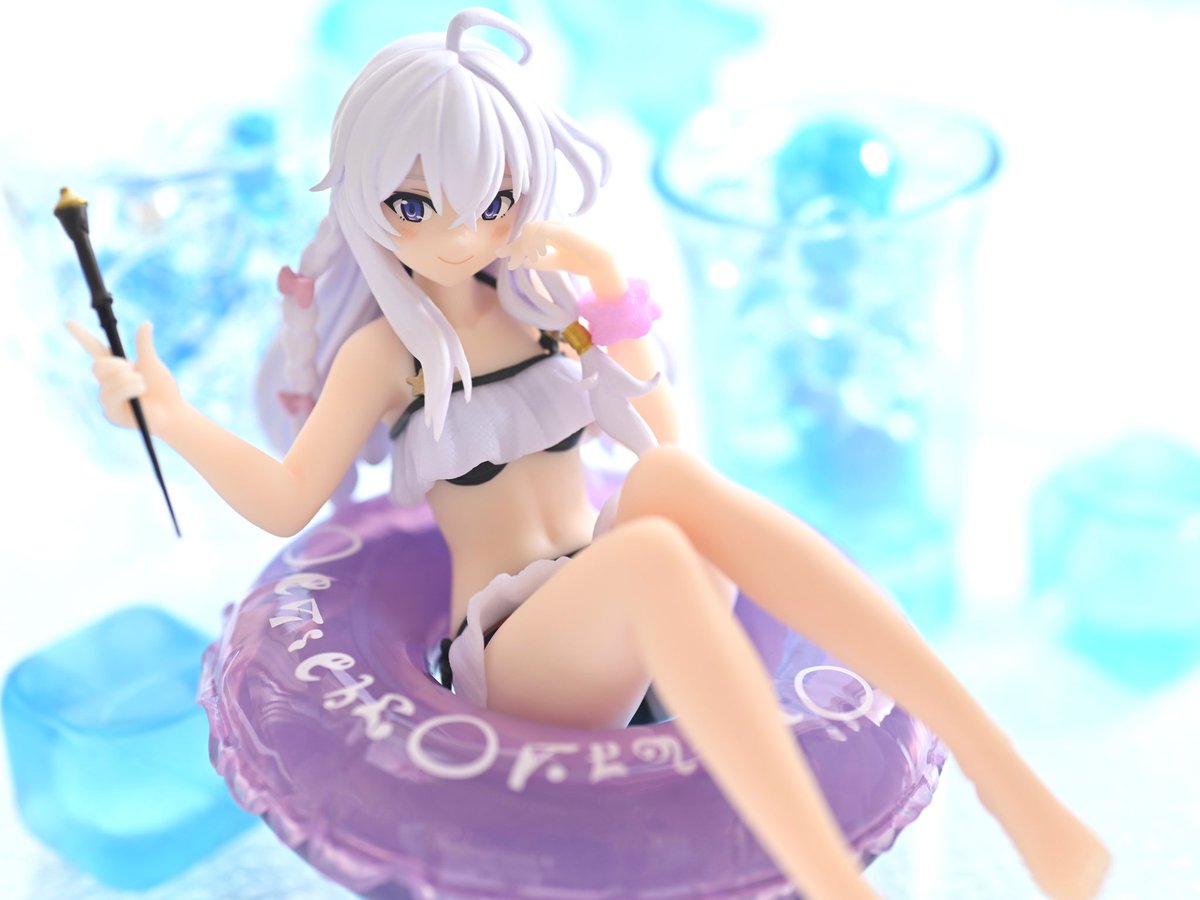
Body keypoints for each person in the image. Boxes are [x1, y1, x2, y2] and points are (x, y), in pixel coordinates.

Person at [68, 9, 1109, 899]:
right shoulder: (389, 356)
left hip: (625, 602)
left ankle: (1009, 782)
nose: (460, 235)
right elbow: (290, 497)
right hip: (517, 658)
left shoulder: (548, 308)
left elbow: (676, 454)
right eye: (415, 206)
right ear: (370, 204)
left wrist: (611, 292)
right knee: (649, 550)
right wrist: (170, 415)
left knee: (668, 482)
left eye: (493, 200)